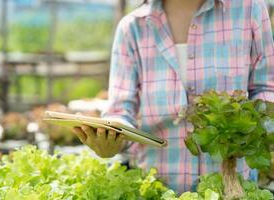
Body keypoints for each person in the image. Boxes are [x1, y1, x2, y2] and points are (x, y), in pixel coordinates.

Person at [73, 0, 274, 193]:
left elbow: (267, 87)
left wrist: (254, 128)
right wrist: (111, 137)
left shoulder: (249, 9)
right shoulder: (133, 28)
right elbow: (121, 110)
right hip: (158, 188)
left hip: (233, 188)